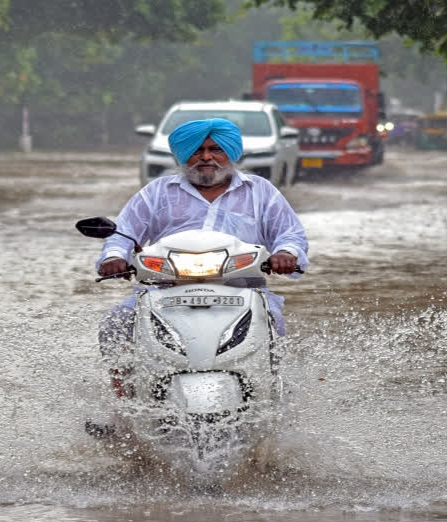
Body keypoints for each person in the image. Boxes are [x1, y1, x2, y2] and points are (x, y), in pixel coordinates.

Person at [94, 118, 309, 394]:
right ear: (184, 155)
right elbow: (122, 232)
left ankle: (271, 394)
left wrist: (286, 253)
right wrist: (114, 257)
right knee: (116, 323)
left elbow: (290, 234)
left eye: (216, 149)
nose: (206, 157)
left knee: (273, 323)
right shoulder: (157, 192)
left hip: (242, 289)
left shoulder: (261, 192)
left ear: (230, 152)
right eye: (197, 150)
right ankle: (122, 401)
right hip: (164, 288)